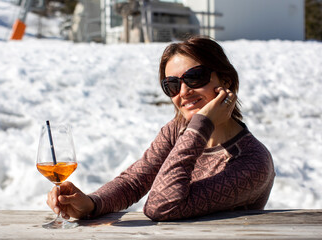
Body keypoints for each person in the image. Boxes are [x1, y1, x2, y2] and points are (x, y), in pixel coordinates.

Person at [47, 36, 275, 221]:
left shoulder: (253, 162)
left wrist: (201, 125)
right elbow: (134, 182)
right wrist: (91, 203)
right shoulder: (177, 130)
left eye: (195, 77)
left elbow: (162, 206)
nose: (184, 92)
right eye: (172, 85)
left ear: (225, 80)